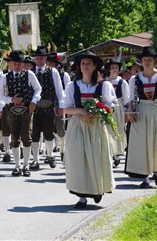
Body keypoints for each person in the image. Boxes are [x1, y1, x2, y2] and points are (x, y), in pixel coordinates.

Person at [61, 50, 116, 208]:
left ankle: (97, 189)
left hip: (96, 127)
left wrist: (98, 111)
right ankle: (82, 196)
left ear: (95, 67)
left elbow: (110, 107)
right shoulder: (73, 85)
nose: (85, 66)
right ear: (79, 66)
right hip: (78, 126)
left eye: (89, 64)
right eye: (83, 63)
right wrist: (80, 111)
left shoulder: (103, 85)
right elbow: (66, 108)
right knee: (79, 159)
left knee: (97, 157)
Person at [0, 50, 42, 176]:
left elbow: (38, 89)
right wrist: (11, 99)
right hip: (11, 111)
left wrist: (34, 101)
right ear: (10, 63)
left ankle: (26, 165)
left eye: (19, 63)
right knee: (14, 137)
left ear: (22, 63)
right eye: (14, 63)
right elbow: (1, 96)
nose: (17, 66)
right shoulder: (5, 77)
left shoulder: (29, 74)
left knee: (26, 137)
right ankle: (17, 165)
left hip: (27, 110)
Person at [125, 46, 157, 188]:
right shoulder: (135, 78)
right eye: (144, 60)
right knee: (142, 143)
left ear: (154, 61)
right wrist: (130, 112)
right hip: (142, 110)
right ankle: (145, 177)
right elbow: (131, 98)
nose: (147, 62)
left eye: (149, 59)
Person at [30, 46, 64, 170]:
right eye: (37, 57)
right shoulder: (30, 72)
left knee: (48, 132)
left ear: (45, 58)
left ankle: (50, 155)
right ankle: (35, 159)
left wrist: (61, 105)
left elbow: (59, 90)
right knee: (34, 133)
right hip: (34, 107)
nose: (39, 59)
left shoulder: (53, 71)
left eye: (42, 57)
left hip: (49, 106)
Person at [105, 59, 130, 167]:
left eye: (116, 68)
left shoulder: (122, 82)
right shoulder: (105, 81)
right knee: (107, 129)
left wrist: (126, 113)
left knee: (118, 129)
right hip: (107, 107)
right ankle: (109, 151)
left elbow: (126, 98)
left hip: (118, 107)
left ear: (119, 70)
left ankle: (118, 153)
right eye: (112, 67)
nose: (114, 69)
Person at [47, 52, 71, 161]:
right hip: (47, 105)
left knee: (60, 129)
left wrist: (62, 105)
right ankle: (50, 153)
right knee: (49, 129)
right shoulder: (45, 73)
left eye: (51, 63)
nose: (49, 64)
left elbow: (67, 91)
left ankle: (62, 149)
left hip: (59, 105)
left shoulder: (64, 75)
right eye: (48, 62)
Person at [0, 52, 15, 162]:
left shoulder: (23, 74)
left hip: (20, 106)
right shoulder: (3, 75)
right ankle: (7, 152)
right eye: (10, 62)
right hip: (6, 105)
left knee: (19, 129)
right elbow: (0, 92)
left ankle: (18, 149)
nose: (11, 64)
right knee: (5, 129)